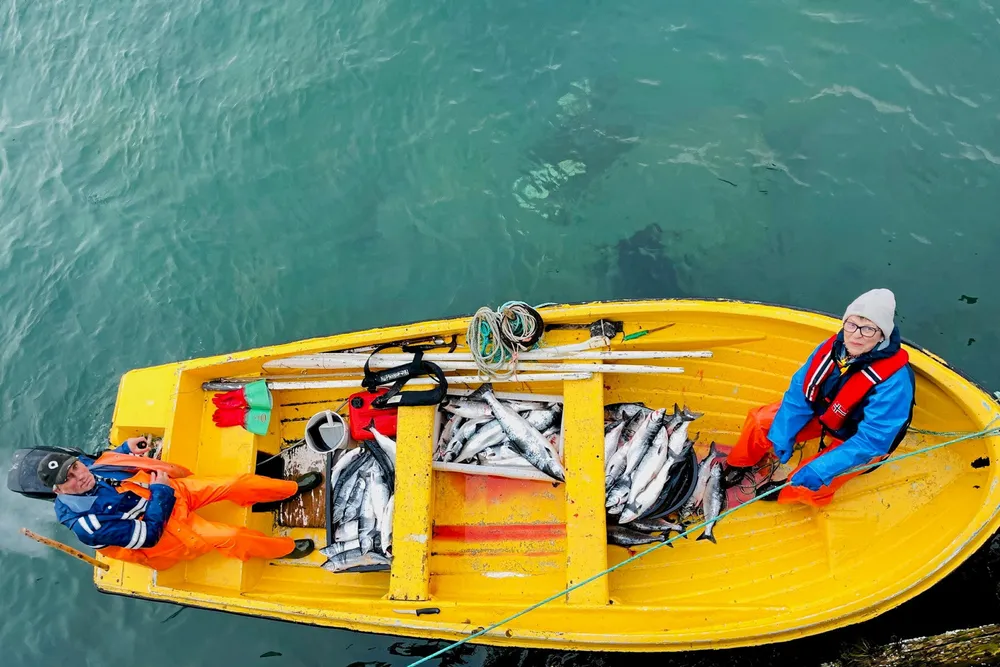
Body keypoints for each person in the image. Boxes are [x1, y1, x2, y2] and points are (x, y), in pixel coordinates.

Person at [725, 288, 915, 506]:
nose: (856, 335)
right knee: (760, 422)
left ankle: (789, 490)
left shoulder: (895, 382)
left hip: (858, 440)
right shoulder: (834, 347)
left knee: (812, 482)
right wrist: (782, 433)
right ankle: (739, 463)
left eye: (868, 329)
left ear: (883, 334)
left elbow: (873, 440)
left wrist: (821, 469)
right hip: (827, 414)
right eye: (852, 324)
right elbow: (800, 392)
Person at [37, 437, 321, 570]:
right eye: (68, 479)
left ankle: (291, 489)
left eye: (75, 467)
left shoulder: (84, 466)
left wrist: (126, 449)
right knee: (232, 537)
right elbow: (149, 536)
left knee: (236, 482)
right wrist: (161, 491)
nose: (79, 476)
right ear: (57, 490)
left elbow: (103, 462)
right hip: (166, 532)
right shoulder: (89, 526)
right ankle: (286, 549)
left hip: (167, 494)